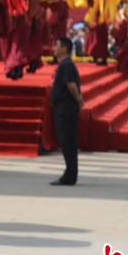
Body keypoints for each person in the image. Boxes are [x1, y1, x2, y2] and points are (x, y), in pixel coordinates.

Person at [50, 36, 82, 186]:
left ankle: (70, 175)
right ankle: (70, 173)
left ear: (64, 48)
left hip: (66, 108)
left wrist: (79, 100)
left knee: (67, 141)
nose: (54, 48)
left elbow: (71, 85)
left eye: (57, 45)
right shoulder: (65, 64)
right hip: (63, 107)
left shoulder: (66, 64)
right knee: (66, 141)